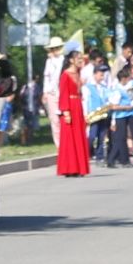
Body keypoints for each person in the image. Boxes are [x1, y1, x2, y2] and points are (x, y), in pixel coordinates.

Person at [53, 49, 92, 177]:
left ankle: (79, 167)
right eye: (78, 58)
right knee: (69, 137)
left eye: (81, 58)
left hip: (78, 106)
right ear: (71, 60)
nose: (80, 60)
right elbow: (63, 94)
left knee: (79, 136)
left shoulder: (79, 73)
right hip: (69, 106)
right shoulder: (65, 75)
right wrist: (66, 111)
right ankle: (69, 168)